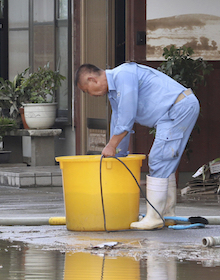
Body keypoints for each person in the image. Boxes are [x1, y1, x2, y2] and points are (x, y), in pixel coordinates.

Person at [76, 62, 200, 230]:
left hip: (178, 107)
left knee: (159, 158)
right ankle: (167, 215)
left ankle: (155, 217)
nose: (89, 95)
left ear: (92, 80)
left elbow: (126, 118)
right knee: (164, 161)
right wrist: (118, 155)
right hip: (170, 113)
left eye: (86, 90)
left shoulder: (123, 75)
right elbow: (118, 124)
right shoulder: (114, 92)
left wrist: (111, 146)